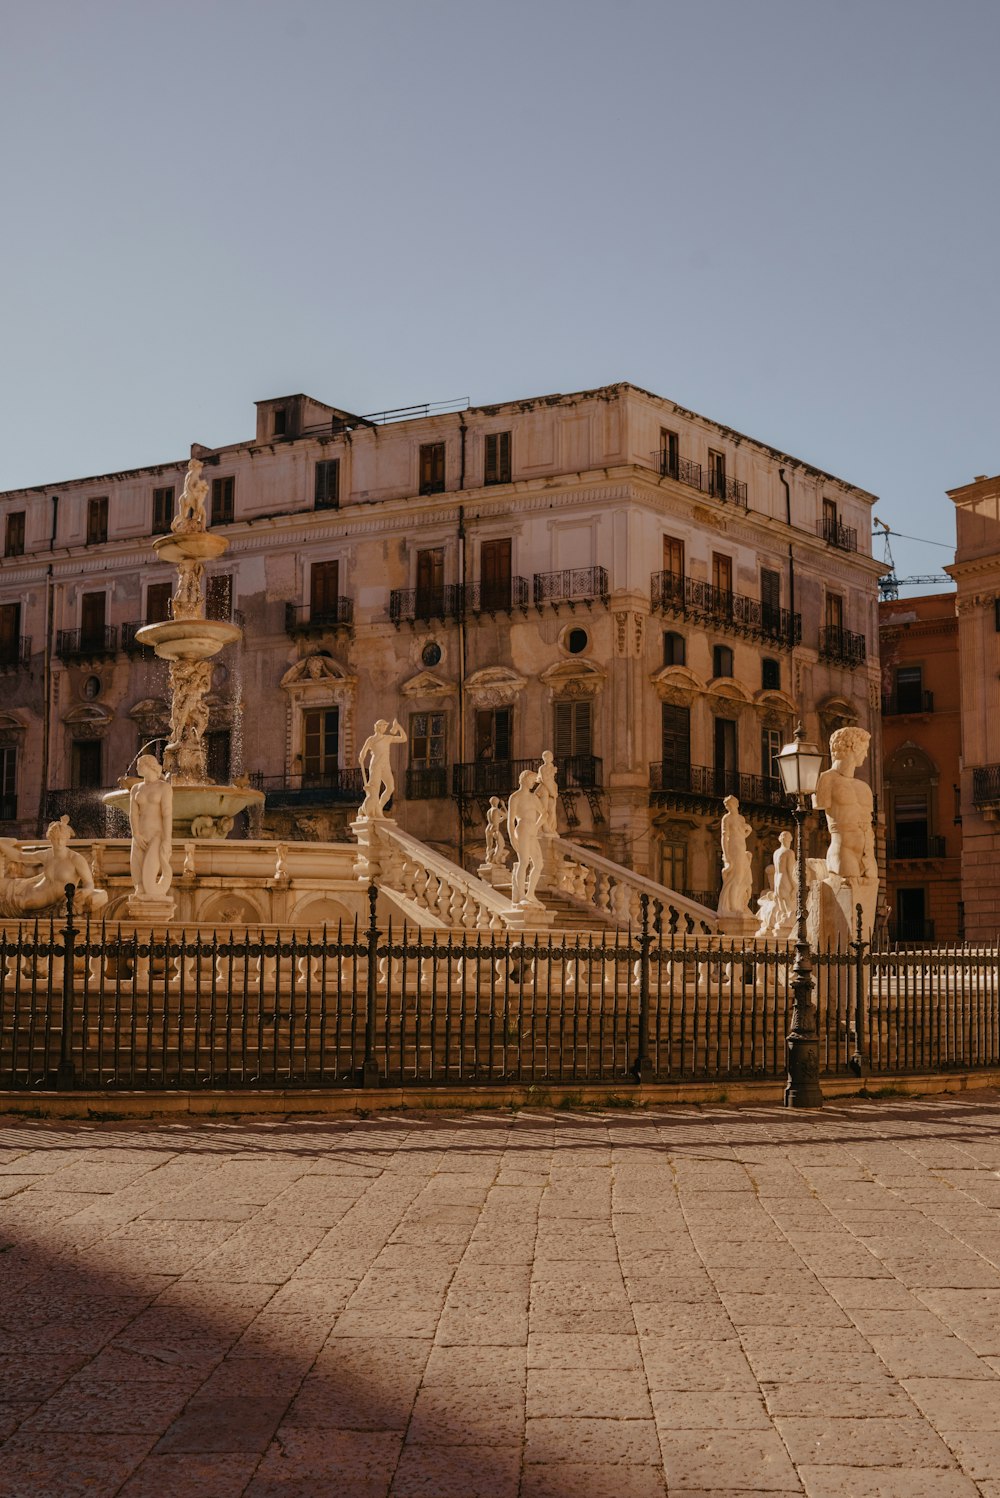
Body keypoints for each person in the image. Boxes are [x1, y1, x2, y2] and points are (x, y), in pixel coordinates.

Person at [0, 817, 108, 917]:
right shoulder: (47, 855)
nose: (59, 842)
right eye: (56, 839)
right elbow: (20, 856)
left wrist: (86, 891)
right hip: (30, 888)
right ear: (50, 839)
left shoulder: (76, 859)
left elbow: (89, 883)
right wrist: (2, 846)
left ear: (67, 838)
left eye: (62, 838)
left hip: (37, 901)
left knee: (12, 903)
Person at [813, 726, 875, 881]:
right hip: (843, 850)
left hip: (867, 854)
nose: (866, 754)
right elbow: (820, 803)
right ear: (854, 746)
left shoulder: (864, 787)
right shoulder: (827, 779)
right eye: (864, 749)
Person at [129, 755, 174, 900]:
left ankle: (154, 894)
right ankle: (140, 895)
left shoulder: (164, 787)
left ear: (149, 766)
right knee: (138, 880)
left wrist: (167, 840)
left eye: (139, 765)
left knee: (149, 882)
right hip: (139, 836)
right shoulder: (136, 788)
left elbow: (167, 814)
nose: (136, 768)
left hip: (157, 836)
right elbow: (133, 814)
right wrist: (135, 834)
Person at [507, 770, 544, 906]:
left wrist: (536, 826)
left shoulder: (534, 798)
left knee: (539, 864)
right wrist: (512, 837)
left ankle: (530, 894)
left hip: (532, 831)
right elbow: (510, 821)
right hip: (521, 829)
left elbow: (544, 814)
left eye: (535, 781)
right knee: (524, 862)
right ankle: (522, 895)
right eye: (532, 780)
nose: (534, 783)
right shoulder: (515, 797)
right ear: (524, 779)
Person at [358, 718, 407, 819]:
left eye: (386, 726)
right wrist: (362, 756)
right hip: (375, 766)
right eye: (384, 726)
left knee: (390, 788)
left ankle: (379, 807)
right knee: (374, 791)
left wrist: (399, 727)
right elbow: (363, 751)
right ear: (378, 727)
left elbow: (403, 739)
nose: (385, 727)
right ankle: (367, 809)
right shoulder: (371, 739)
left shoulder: (387, 738)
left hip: (386, 766)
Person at [717, 795, 753, 916]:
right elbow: (724, 837)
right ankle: (732, 907)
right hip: (733, 849)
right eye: (727, 806)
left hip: (741, 848)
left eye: (730, 805)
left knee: (741, 878)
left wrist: (748, 831)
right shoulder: (726, 819)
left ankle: (737, 904)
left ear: (736, 804)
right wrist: (726, 855)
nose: (728, 807)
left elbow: (741, 835)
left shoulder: (741, 819)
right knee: (736, 878)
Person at [771, 830, 797, 928]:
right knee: (790, 910)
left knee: (782, 910)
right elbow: (790, 871)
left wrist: (774, 888)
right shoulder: (789, 852)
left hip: (778, 881)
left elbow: (775, 871)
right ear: (789, 840)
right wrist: (795, 886)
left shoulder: (776, 853)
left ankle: (781, 926)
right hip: (786, 881)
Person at [535, 750, 559, 835]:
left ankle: (549, 827)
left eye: (550, 756)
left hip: (551, 789)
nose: (549, 758)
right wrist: (551, 791)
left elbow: (551, 780)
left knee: (551, 811)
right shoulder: (542, 768)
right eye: (547, 756)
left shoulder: (552, 766)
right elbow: (544, 780)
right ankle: (544, 827)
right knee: (543, 810)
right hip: (544, 789)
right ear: (543, 758)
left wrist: (554, 789)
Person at [484, 797, 508, 867]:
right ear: (497, 802)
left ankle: (489, 858)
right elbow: (507, 815)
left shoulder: (489, 811)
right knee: (501, 844)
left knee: (489, 845)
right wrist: (503, 806)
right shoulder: (496, 810)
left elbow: (495, 820)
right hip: (495, 829)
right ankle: (495, 858)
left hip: (488, 828)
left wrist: (502, 818)